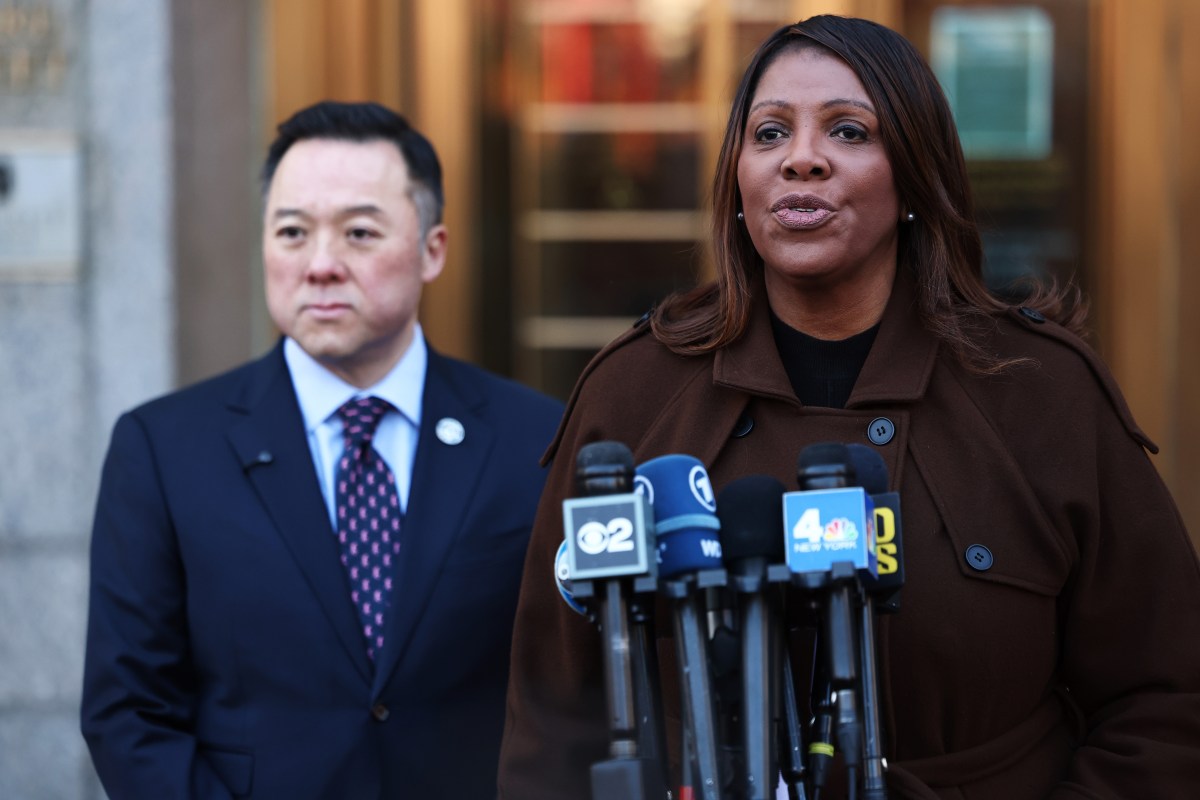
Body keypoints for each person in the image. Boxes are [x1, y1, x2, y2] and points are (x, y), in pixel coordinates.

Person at [497, 15, 1200, 800]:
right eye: (768, 133)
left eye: (849, 131)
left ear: (915, 174)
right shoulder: (632, 393)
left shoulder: (1040, 391)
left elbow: (1164, 702)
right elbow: (552, 722)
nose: (802, 159)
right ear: (736, 178)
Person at [81, 100, 564, 800]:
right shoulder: (163, 448)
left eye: (359, 233)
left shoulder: (534, 441)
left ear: (433, 250)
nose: (321, 265)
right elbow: (130, 712)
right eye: (292, 232)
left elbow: (576, 690)